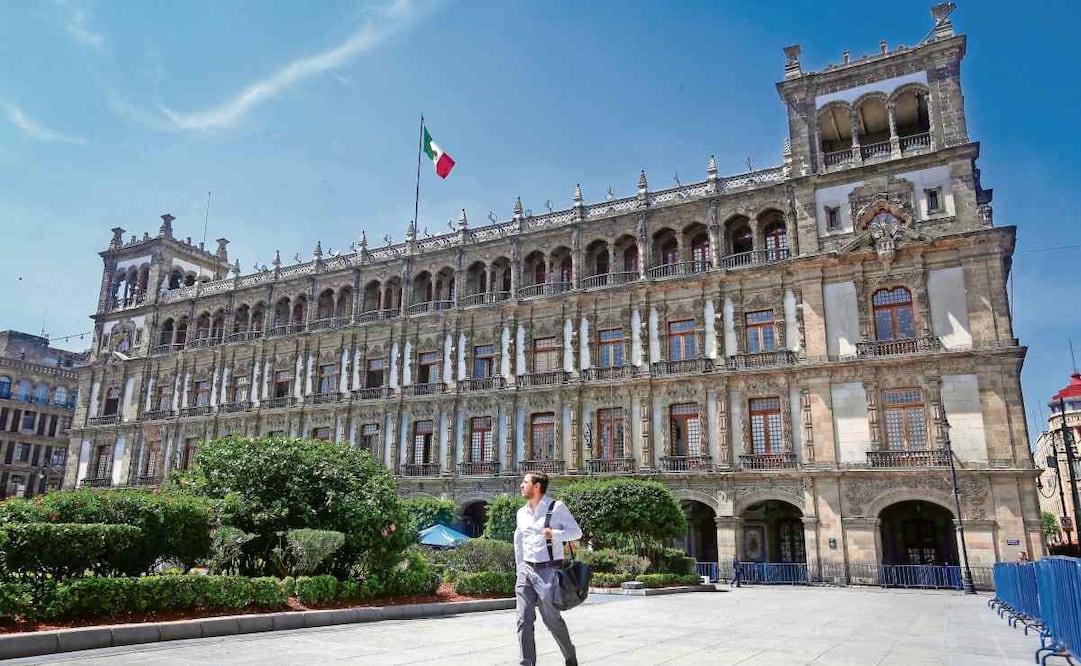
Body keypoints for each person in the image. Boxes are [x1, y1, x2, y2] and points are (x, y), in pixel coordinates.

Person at [513, 471, 582, 666]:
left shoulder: (556, 507)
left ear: (536, 487)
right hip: (526, 570)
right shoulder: (521, 512)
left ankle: (570, 656)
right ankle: (526, 662)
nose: (521, 485)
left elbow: (576, 533)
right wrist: (519, 568)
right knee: (523, 618)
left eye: (525, 482)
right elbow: (518, 540)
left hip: (549, 571)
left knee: (551, 620)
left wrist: (555, 534)